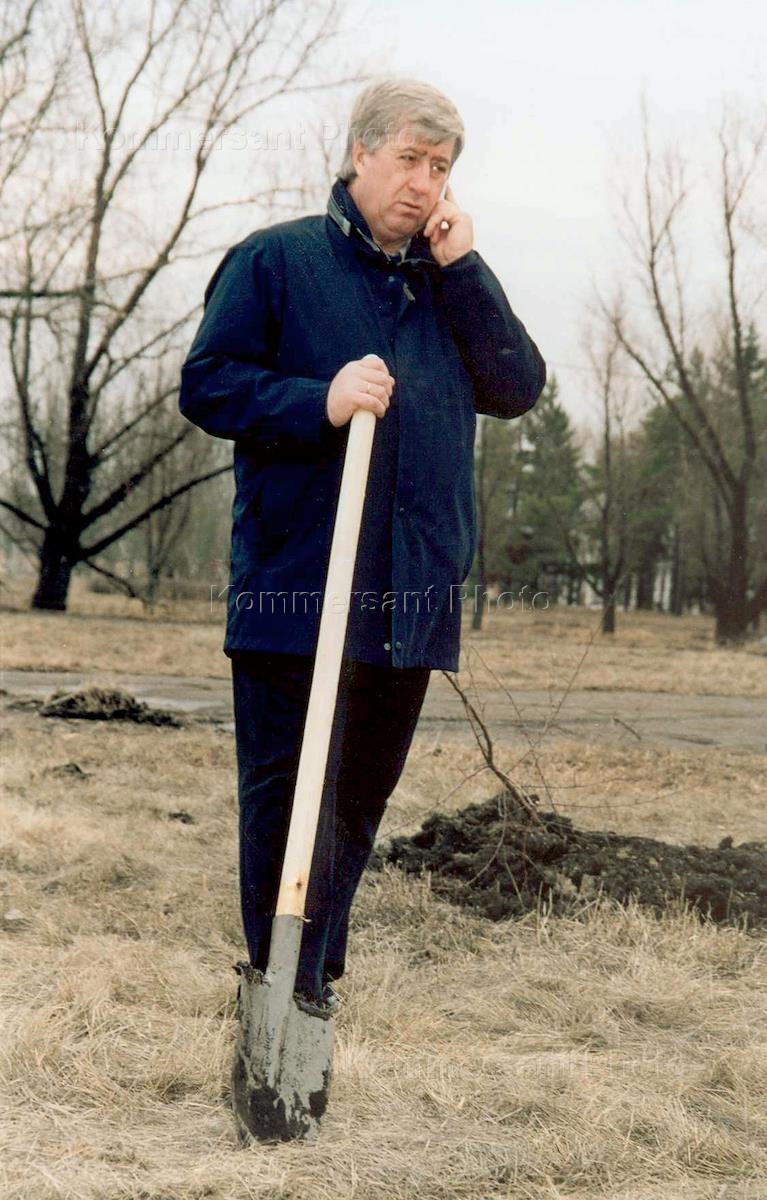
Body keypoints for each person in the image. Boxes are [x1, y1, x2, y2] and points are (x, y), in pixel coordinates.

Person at [179, 79, 546, 1007]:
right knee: (286, 791)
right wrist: (320, 401)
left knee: (357, 796)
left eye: (441, 167)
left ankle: (311, 978)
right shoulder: (278, 260)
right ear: (361, 155)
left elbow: (516, 388)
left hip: (408, 593)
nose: (424, 183)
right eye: (410, 159)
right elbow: (208, 384)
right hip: (297, 583)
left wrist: (465, 270)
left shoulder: (444, 286)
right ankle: (276, 976)